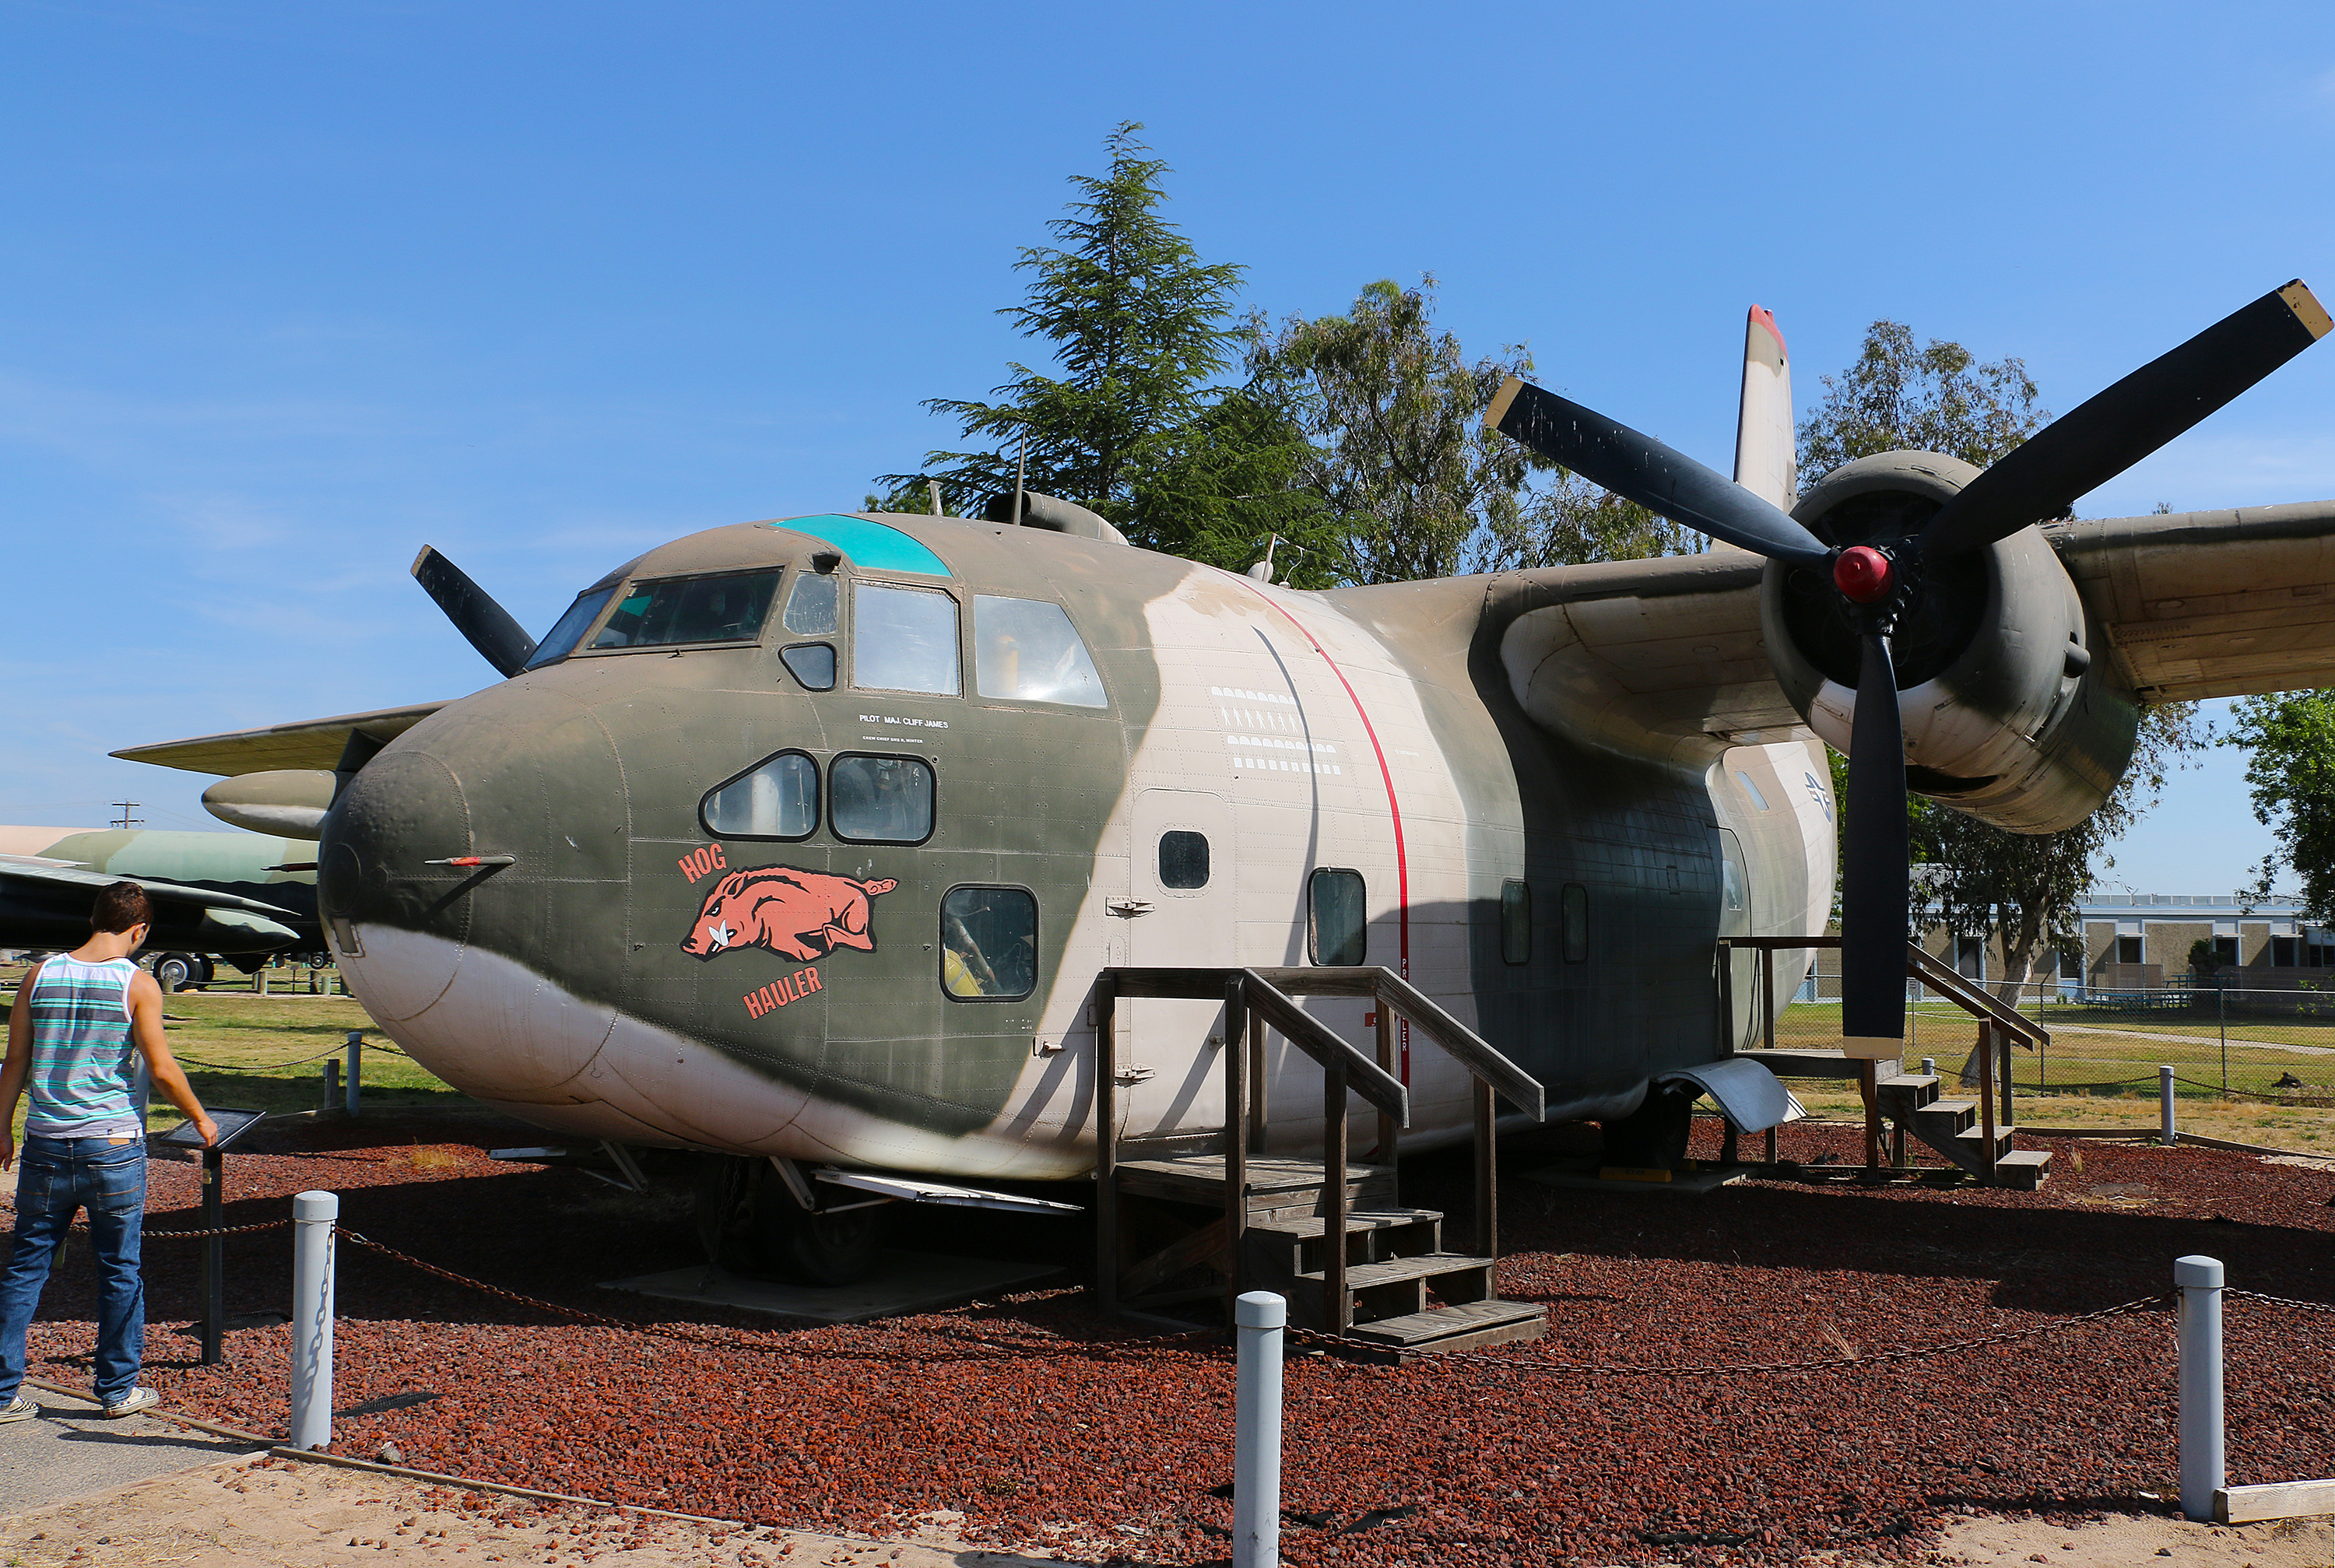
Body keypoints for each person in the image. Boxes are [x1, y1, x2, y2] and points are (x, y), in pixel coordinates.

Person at [0, 882, 216, 1423]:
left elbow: (14, 1062)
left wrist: (2, 1128)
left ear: (94, 917)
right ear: (140, 930)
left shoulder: (40, 974)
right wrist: (200, 1117)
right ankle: (117, 1389)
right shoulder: (138, 983)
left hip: (47, 1141)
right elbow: (161, 1068)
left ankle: (2, 1393)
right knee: (120, 1267)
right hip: (114, 1145)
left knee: (26, 1267)